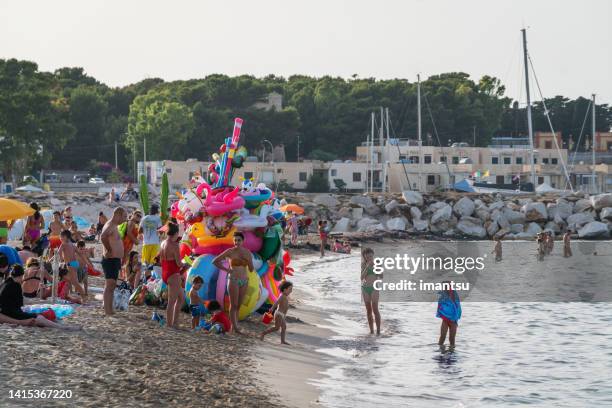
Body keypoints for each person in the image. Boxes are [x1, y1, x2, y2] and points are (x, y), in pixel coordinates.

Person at [0, 265, 80, 330]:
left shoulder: (4, 283)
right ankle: (64, 327)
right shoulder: (16, 285)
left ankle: (60, 326)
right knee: (39, 317)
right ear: (21, 275)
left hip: (4, 312)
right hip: (10, 313)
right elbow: (20, 305)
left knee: (38, 317)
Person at [213, 231, 254, 334]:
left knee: (239, 305)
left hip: (244, 280)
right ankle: (235, 327)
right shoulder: (230, 252)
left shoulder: (247, 252)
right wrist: (226, 270)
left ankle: (234, 325)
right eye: (235, 240)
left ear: (243, 241)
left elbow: (251, 269)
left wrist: (248, 261)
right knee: (233, 304)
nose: (236, 242)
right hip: (233, 280)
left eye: (239, 240)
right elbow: (215, 261)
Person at [100, 207, 127, 316]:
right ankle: (107, 310)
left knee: (112, 285)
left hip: (114, 259)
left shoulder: (113, 225)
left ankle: (109, 309)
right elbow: (103, 237)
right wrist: (109, 249)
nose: (125, 219)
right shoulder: (110, 225)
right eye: (124, 216)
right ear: (118, 214)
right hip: (110, 259)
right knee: (109, 285)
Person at [159, 222, 184, 329]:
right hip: (173, 273)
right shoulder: (174, 245)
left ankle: (175, 322)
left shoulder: (163, 243)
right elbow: (179, 263)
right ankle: (170, 324)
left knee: (181, 298)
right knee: (172, 301)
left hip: (165, 271)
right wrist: (186, 264)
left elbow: (161, 260)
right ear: (176, 233)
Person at [58, 230, 86, 300]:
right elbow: (79, 252)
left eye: (61, 236)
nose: (60, 238)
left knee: (74, 282)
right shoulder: (71, 244)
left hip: (70, 264)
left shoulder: (63, 244)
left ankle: (83, 297)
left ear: (66, 237)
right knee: (68, 279)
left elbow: (58, 252)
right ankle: (66, 294)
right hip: (75, 263)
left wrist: (61, 259)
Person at [361, 247, 382, 335]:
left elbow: (381, 276)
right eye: (368, 257)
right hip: (365, 288)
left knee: (375, 309)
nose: (369, 258)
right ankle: (371, 331)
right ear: (365, 257)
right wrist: (367, 267)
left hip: (374, 288)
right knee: (368, 310)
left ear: (373, 255)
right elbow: (361, 278)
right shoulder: (363, 265)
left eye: (371, 256)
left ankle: (378, 331)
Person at [437, 281, 462, 348]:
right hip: (445, 319)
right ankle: (440, 352)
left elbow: (457, 306)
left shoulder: (454, 294)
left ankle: (452, 353)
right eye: (443, 286)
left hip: (453, 320)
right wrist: (441, 315)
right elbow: (440, 306)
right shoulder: (442, 295)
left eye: (446, 286)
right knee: (442, 337)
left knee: (452, 339)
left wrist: (455, 318)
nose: (444, 288)